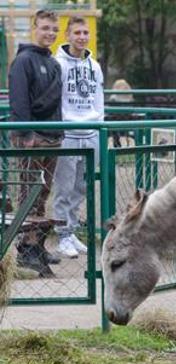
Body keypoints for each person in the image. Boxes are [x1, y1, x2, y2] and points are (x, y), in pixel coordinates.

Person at [8, 9, 64, 277]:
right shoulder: (24, 60)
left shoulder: (53, 63)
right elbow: (18, 100)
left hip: (52, 136)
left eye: (54, 29)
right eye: (45, 28)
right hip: (32, 138)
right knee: (28, 191)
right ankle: (25, 248)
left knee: (43, 192)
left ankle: (35, 243)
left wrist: (59, 132)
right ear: (34, 28)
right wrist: (26, 133)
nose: (50, 33)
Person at [52, 15, 104, 259]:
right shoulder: (58, 64)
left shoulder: (94, 66)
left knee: (81, 187)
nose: (82, 37)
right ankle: (61, 234)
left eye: (85, 32)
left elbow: (98, 99)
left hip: (91, 132)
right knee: (64, 187)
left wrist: (100, 127)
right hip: (68, 133)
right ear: (68, 35)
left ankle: (71, 231)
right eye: (77, 33)